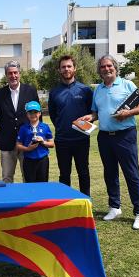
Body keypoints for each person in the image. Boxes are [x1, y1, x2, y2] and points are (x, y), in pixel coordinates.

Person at [80, 55, 139, 230]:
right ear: (99, 70)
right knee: (110, 173)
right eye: (103, 67)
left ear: (115, 67)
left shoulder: (127, 85)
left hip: (125, 135)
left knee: (131, 173)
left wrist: (129, 113)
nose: (106, 69)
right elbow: (96, 113)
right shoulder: (98, 90)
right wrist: (90, 117)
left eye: (109, 65)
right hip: (104, 136)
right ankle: (115, 207)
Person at [48, 55, 93, 196]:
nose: (66, 69)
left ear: (75, 68)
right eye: (63, 67)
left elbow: (92, 114)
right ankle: (65, 203)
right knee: (64, 174)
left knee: (83, 172)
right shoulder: (54, 92)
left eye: (69, 66)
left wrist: (84, 124)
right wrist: (63, 127)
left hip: (81, 139)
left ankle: (86, 202)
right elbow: (53, 115)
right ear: (59, 70)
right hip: (62, 141)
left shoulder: (85, 90)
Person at [0, 60, 40, 183]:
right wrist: (8, 127)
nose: (13, 76)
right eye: (10, 73)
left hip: (27, 142)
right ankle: (9, 202)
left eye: (15, 73)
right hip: (7, 142)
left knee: (28, 177)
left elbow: (37, 115)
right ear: (6, 75)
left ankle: (27, 202)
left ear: (19, 73)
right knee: (7, 178)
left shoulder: (30, 91)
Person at [16, 101, 54, 183]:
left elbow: (52, 144)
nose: (33, 114)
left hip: (42, 160)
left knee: (43, 184)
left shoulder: (45, 127)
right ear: (27, 114)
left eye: (35, 112)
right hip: (29, 160)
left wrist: (43, 142)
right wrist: (28, 148)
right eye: (30, 112)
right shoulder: (23, 128)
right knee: (30, 185)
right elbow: (18, 145)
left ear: (40, 113)